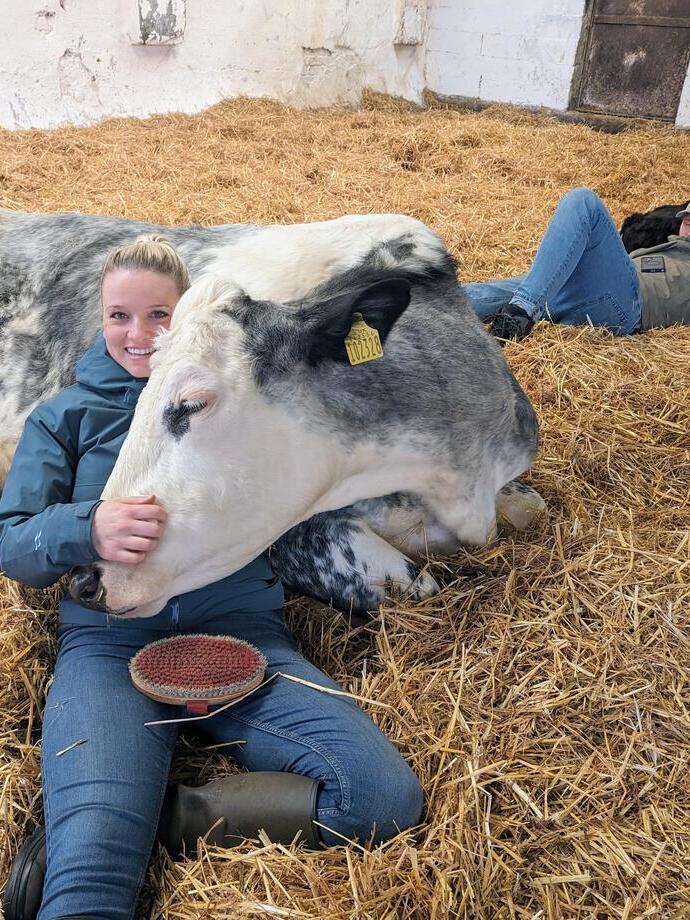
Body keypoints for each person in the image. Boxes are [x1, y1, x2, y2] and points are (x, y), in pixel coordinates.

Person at [0, 236, 423, 920]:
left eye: (158, 316)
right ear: (99, 318)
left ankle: (153, 820)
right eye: (118, 315)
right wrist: (87, 528)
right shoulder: (64, 417)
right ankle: (100, 831)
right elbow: (11, 543)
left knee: (380, 799)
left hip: (241, 640)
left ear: (186, 319)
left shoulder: (243, 404)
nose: (138, 335)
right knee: (88, 892)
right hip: (111, 646)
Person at [465, 187, 690, 341]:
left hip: (629, 305)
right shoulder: (670, 247)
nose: (687, 227)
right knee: (486, 294)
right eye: (687, 221)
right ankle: (434, 302)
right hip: (595, 290)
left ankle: (521, 311)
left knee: (583, 201)